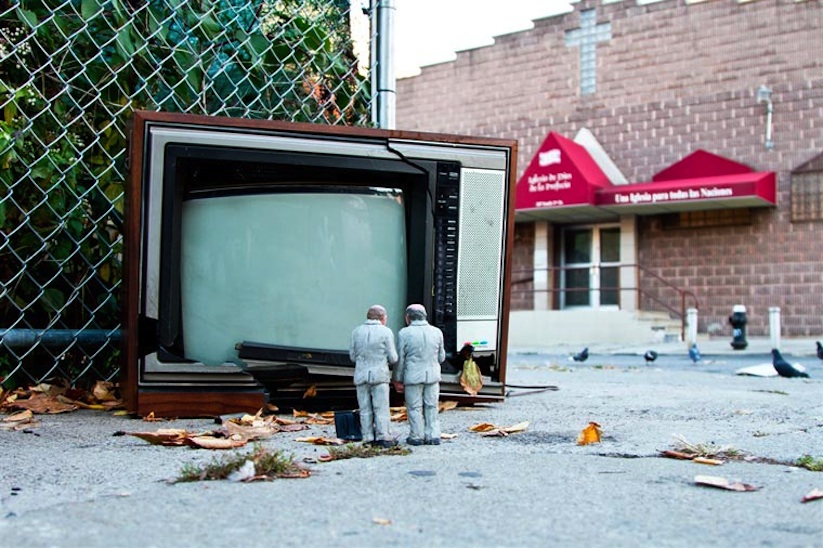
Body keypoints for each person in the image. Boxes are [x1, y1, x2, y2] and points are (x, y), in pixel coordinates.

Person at [392, 304, 446, 446]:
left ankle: (416, 435)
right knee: (432, 405)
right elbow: (441, 357)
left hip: (413, 375)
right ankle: (433, 435)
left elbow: (400, 359)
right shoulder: (437, 332)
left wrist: (397, 378)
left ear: (408, 317)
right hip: (433, 375)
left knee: (414, 407)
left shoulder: (404, 333)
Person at [349, 304, 399, 448]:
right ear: (382, 318)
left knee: (364, 408)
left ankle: (367, 437)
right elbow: (393, 357)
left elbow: (352, 356)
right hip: (379, 375)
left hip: (361, 374)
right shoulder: (386, 332)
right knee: (381, 407)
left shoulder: (356, 332)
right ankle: (384, 437)